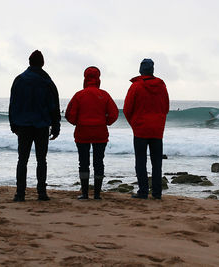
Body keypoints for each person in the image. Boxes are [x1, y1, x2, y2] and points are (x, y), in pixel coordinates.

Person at [9, 50, 61, 202]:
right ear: (42, 63)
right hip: (41, 125)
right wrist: (56, 125)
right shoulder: (47, 81)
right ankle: (41, 193)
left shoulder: (19, 80)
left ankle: (20, 194)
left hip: (24, 125)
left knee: (22, 160)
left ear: (29, 62)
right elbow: (54, 106)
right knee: (41, 160)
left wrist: (13, 124)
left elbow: (13, 104)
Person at [65, 66, 118, 200]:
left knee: (83, 163)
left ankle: (84, 193)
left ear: (85, 79)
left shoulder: (79, 95)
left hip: (82, 132)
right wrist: (106, 122)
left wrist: (77, 122)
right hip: (100, 133)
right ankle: (97, 194)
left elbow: (69, 114)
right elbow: (114, 113)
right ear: (98, 79)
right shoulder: (104, 95)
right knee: (98, 162)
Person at [123, 59, 169, 199]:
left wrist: (134, 124)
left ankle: (143, 191)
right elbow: (166, 107)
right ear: (152, 70)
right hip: (157, 130)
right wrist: (159, 121)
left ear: (140, 70)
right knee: (157, 163)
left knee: (141, 161)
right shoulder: (161, 86)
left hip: (141, 130)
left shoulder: (136, 87)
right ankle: (157, 193)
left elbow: (127, 109)